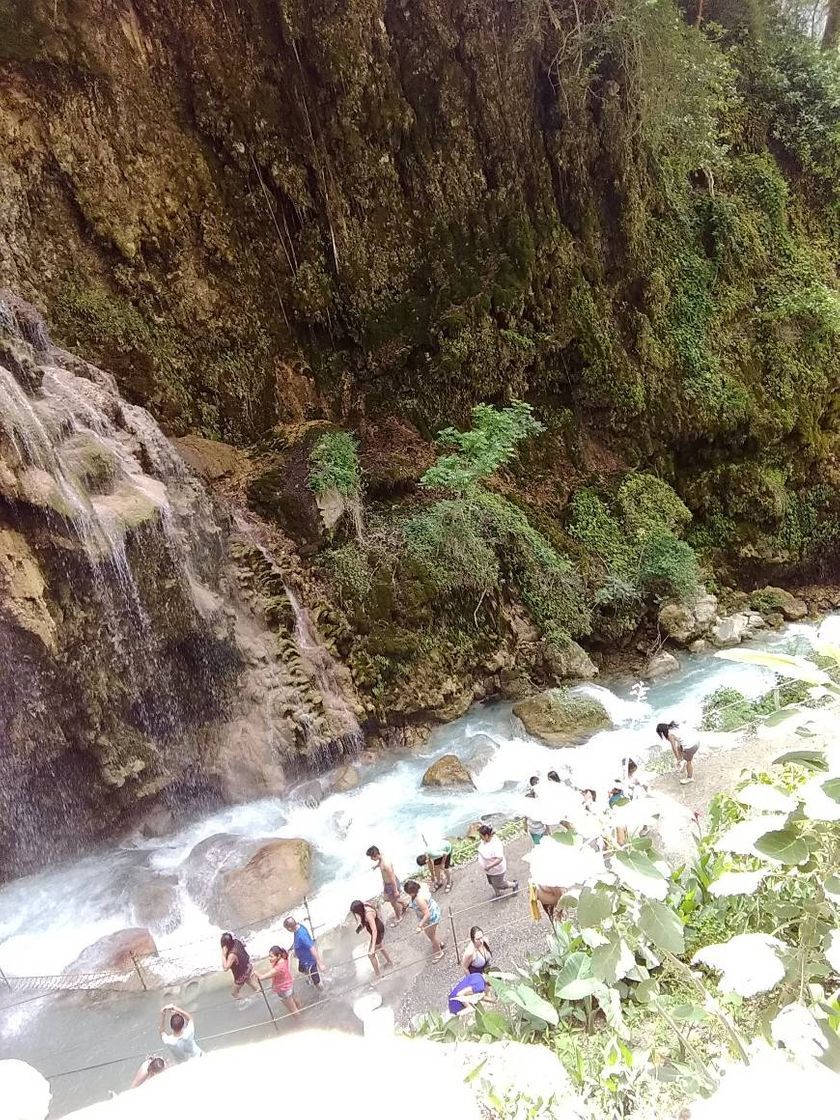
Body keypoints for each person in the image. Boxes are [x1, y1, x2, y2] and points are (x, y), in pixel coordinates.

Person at [404, 879, 445, 962]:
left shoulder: (419, 899)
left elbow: (427, 914)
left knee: (431, 936)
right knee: (432, 934)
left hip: (430, 918)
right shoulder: (421, 889)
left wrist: (420, 925)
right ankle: (440, 943)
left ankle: (439, 953)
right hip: (433, 910)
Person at [350, 899, 393, 975]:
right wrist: (360, 928)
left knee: (371, 955)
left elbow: (374, 930)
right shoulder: (364, 905)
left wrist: (372, 947)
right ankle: (389, 962)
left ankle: (378, 974)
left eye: (356, 913)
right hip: (377, 928)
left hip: (378, 931)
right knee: (380, 947)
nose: (356, 914)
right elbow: (366, 921)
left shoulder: (368, 914)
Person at [366, 845, 407, 925]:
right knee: (388, 899)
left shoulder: (386, 864)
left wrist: (395, 890)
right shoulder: (381, 857)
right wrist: (376, 866)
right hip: (387, 883)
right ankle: (404, 904)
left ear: (376, 855)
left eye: (371, 857)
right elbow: (380, 862)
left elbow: (392, 878)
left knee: (393, 903)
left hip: (391, 884)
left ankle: (399, 917)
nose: (371, 859)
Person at [476, 824, 518, 897]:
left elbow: (499, 858)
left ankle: (514, 884)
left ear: (486, 836)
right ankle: (497, 893)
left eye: (481, 836)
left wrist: (489, 866)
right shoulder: (485, 840)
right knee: (491, 882)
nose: (480, 838)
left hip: (496, 869)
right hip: (488, 869)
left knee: (499, 884)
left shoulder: (495, 845)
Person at [258, 945, 301, 1016]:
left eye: (271, 956)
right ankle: (302, 1013)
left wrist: (255, 973)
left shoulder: (278, 968)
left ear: (278, 956)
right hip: (289, 984)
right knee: (296, 1002)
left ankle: (300, 1023)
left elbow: (262, 978)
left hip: (283, 990)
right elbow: (288, 954)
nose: (269, 958)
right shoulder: (284, 959)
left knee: (293, 1009)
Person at [284, 916, 326, 987]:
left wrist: (320, 963)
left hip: (309, 961)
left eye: (287, 929)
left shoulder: (302, 936)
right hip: (302, 959)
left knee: (317, 981)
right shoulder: (298, 927)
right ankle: (310, 978)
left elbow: (312, 947)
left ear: (289, 928)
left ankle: (322, 991)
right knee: (301, 969)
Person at [657, 720, 699, 785]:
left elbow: (674, 748)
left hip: (691, 745)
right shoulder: (674, 727)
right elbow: (679, 742)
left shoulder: (669, 735)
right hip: (697, 741)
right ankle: (682, 762)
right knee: (679, 747)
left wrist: (677, 758)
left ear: (662, 732)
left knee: (689, 762)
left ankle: (690, 778)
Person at [220, 932, 259, 999]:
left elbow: (226, 968)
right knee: (250, 981)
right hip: (247, 966)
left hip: (241, 974)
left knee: (234, 992)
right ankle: (261, 993)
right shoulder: (236, 942)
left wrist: (223, 955)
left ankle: (245, 1001)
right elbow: (243, 945)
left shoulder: (232, 955)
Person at [525, 776, 547, 845]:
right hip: (534, 829)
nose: (538, 783)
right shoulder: (532, 796)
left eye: (538, 782)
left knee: (545, 844)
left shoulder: (541, 794)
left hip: (541, 828)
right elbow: (525, 815)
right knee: (540, 845)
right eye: (536, 782)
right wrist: (524, 825)